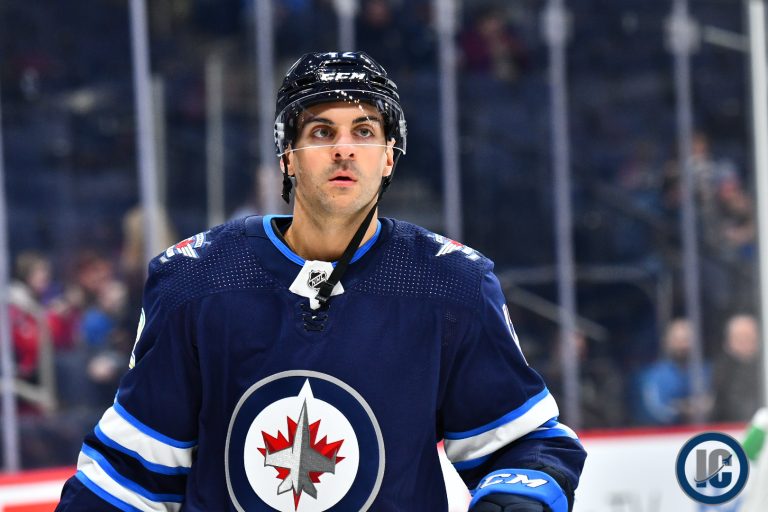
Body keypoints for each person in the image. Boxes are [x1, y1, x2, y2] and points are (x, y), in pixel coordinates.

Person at [56, 52, 585, 511]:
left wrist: (521, 493)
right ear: (286, 155)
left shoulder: (451, 285)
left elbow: (521, 441)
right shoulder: (196, 280)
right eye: (321, 132)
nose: (344, 149)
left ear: (389, 157)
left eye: (364, 132)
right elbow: (132, 471)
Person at [634, 318, 711, 425]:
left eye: (686, 339)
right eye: (676, 340)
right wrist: (682, 412)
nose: (682, 345)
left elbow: (714, 401)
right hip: (666, 433)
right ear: (667, 342)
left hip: (704, 430)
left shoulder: (706, 371)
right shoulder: (655, 375)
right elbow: (655, 410)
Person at [712, 314, 761, 422]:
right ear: (728, 342)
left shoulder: (763, 367)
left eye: (748, 337)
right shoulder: (723, 371)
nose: (744, 342)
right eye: (739, 338)